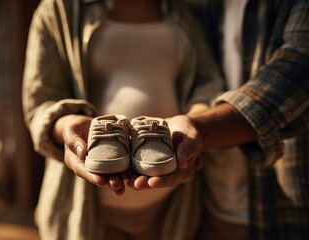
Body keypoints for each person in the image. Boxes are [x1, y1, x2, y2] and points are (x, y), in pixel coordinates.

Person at [22, 0, 223, 239]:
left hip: (174, 206)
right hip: (84, 209)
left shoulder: (185, 11)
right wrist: (66, 125)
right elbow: (41, 100)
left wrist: (194, 122)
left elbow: (206, 83)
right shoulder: (59, 9)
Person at [130, 0, 309, 239]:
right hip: (211, 206)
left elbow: (298, 67)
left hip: (286, 206)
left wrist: (198, 128)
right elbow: (201, 78)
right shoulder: (201, 6)